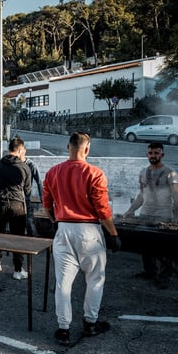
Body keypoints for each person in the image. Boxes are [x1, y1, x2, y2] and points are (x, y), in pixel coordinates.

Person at [42, 132, 121, 346]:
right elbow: (102, 209)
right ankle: (90, 323)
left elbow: (46, 203)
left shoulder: (53, 172)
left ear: (68, 147)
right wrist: (113, 234)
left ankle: (63, 329)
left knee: (63, 284)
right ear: (87, 149)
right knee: (95, 279)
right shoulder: (95, 173)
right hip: (89, 231)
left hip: (63, 230)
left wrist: (54, 221)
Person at [122, 142, 178, 289]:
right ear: (147, 155)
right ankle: (150, 272)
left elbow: (176, 196)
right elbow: (141, 195)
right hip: (146, 213)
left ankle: (165, 276)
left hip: (164, 215)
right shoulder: (143, 172)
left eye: (156, 153)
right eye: (151, 153)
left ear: (162, 154)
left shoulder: (170, 172)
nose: (153, 156)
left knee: (165, 247)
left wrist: (176, 216)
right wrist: (130, 210)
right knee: (145, 243)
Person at [0, 137, 32, 280]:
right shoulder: (24, 167)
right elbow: (27, 190)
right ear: (20, 149)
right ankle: (18, 269)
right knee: (18, 237)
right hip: (17, 205)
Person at [24, 156, 43, 237]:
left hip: (26, 197)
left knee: (28, 220)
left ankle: (30, 238)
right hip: (15, 198)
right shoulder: (15, 164)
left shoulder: (31, 165)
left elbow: (39, 182)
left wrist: (42, 198)